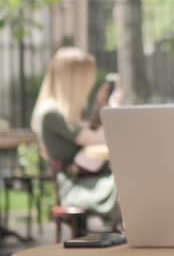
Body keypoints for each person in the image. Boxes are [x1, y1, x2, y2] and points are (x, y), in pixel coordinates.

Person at [31, 47, 119, 228]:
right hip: (76, 185)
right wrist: (113, 108)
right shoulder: (52, 113)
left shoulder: (64, 112)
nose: (91, 82)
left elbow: (92, 133)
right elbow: (99, 138)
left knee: (129, 182)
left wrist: (100, 108)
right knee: (128, 185)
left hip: (88, 178)